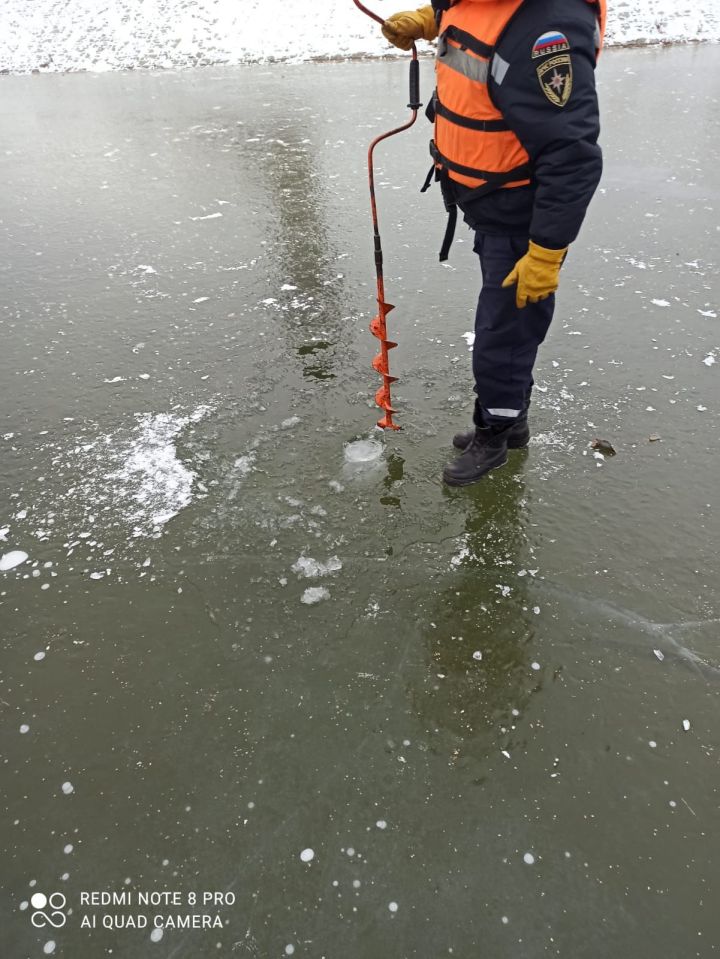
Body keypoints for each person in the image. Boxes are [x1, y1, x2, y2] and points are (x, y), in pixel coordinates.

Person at [381, 0, 606, 486]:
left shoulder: (547, 29)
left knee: (503, 336)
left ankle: (497, 433)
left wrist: (545, 251)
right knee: (507, 327)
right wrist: (432, 22)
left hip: (524, 218)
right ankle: (513, 421)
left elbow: (573, 156)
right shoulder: (473, 5)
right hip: (488, 202)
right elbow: (484, 58)